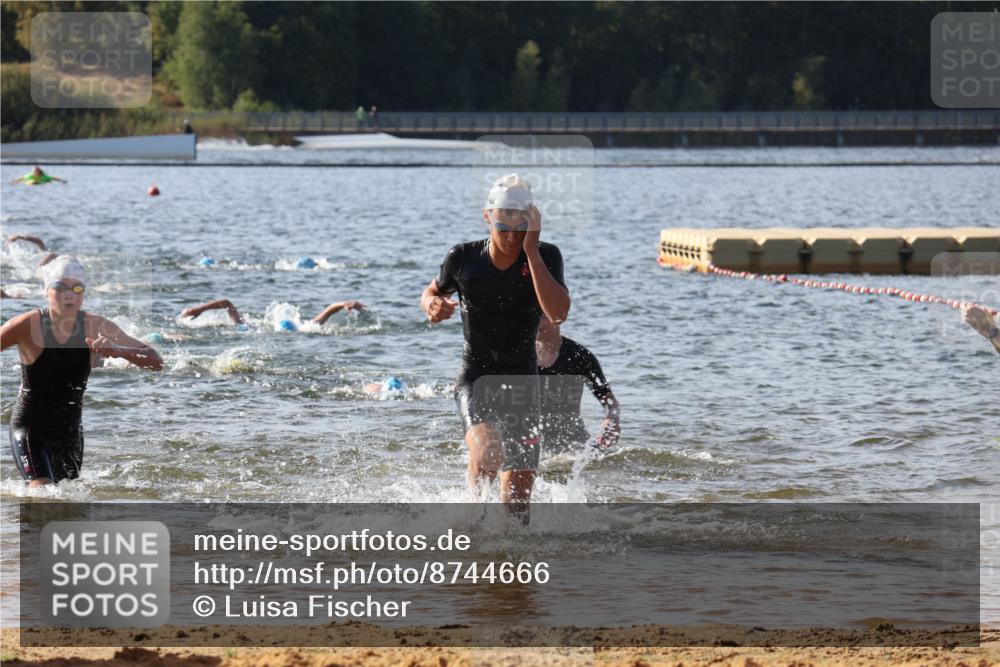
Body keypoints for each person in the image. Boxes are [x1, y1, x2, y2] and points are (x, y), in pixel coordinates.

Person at [420, 174, 570, 519]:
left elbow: (558, 313)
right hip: (476, 378)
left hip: (523, 381)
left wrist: (531, 251)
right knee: (488, 453)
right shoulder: (463, 258)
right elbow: (431, 292)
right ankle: (474, 519)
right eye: (504, 226)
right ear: (488, 217)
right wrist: (431, 306)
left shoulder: (546, 255)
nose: (512, 237)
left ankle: (509, 562)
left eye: (521, 229)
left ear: (532, 222)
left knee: (517, 505)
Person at [0, 257, 163, 486]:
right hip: (30, 427)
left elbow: (156, 361)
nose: (69, 295)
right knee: (43, 495)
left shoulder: (96, 325)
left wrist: (120, 351)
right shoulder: (26, 325)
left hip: (70, 432)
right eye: (60, 287)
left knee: (68, 509)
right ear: (46, 291)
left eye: (77, 288)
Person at [535, 316, 620, 452]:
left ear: (558, 317)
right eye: (532, 316)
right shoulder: (516, 355)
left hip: (571, 444)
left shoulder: (579, 356)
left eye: (543, 317)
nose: (537, 322)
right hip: (526, 438)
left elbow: (611, 403)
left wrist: (612, 421)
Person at [180, 298, 366, 329]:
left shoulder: (248, 328)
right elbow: (329, 310)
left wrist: (197, 310)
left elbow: (227, 303)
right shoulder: (305, 329)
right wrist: (345, 303)